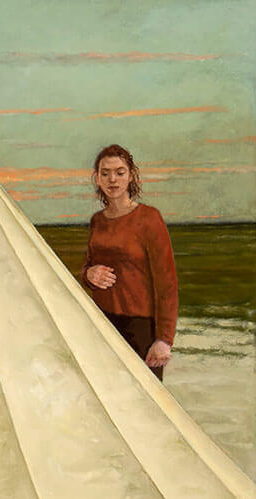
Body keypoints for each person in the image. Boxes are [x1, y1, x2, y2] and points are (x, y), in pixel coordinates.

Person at [81, 144, 177, 381]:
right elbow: (87, 267)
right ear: (97, 178)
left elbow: (167, 282)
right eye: (105, 173)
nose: (112, 179)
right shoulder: (97, 221)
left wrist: (164, 339)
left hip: (141, 328)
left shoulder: (149, 218)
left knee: (147, 398)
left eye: (119, 172)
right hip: (102, 324)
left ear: (131, 175)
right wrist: (88, 275)